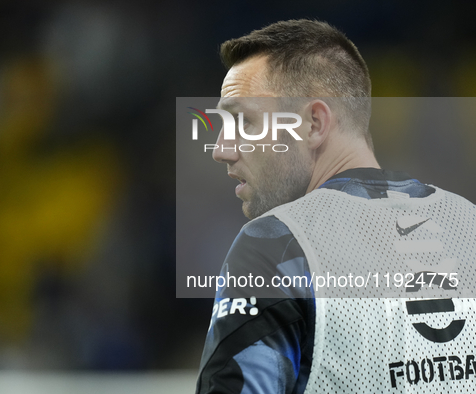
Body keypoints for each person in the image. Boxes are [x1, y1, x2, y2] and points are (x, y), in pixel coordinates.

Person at [195, 19, 476, 393]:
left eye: (244, 121)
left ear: (313, 124)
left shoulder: (275, 245)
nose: (221, 150)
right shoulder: (468, 222)